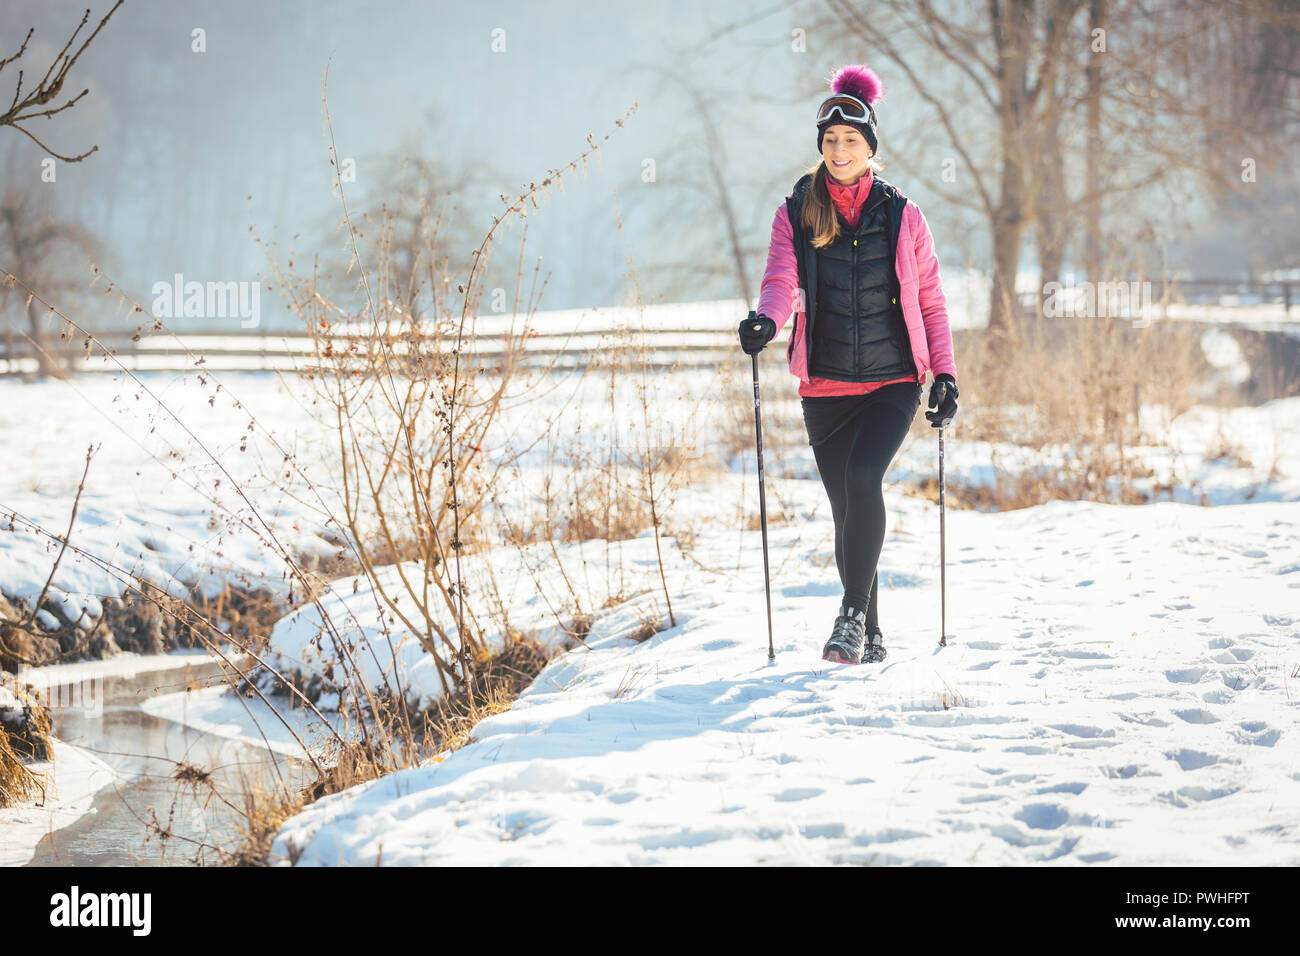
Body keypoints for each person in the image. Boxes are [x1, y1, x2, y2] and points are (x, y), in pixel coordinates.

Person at [738, 63, 960, 666]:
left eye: (851, 141)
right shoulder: (796, 211)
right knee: (846, 511)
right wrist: (767, 319)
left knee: (865, 481)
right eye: (830, 140)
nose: (839, 150)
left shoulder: (902, 213)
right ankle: (874, 635)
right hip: (825, 383)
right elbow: (781, 279)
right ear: (820, 145)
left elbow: (932, 300)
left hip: (893, 380)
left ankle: (850, 618)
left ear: (870, 148)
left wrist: (945, 374)